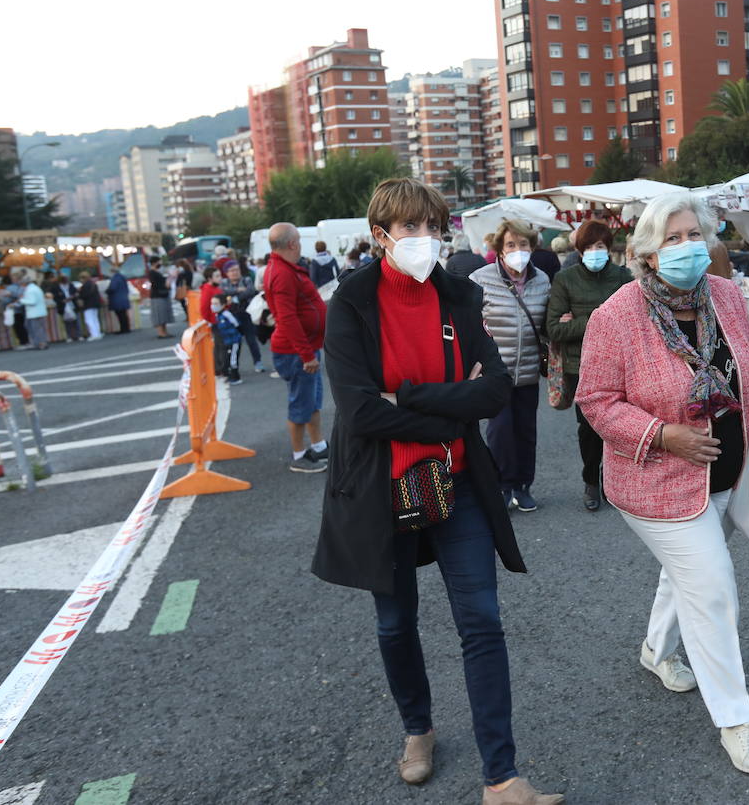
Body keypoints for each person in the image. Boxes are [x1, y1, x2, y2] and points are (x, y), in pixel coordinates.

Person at [311, 178, 564, 805]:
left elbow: (496, 388)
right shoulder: (352, 303)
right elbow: (360, 413)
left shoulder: (457, 294)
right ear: (380, 238)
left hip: (455, 476)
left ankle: (501, 777)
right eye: (411, 229)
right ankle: (417, 728)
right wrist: (451, 406)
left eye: (434, 227)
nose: (426, 240)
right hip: (382, 485)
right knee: (396, 622)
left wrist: (411, 398)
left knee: (481, 620)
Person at [575, 192, 749, 776]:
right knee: (712, 585)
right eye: (672, 239)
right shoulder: (615, 316)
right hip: (654, 482)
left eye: (695, 234)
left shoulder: (723, 293)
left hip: (723, 467)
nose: (688, 247)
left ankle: (655, 651)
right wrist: (664, 434)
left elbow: (742, 361)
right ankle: (736, 719)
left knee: (687, 570)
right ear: (645, 251)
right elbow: (594, 401)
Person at [545, 220, 631, 512]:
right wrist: (599, 318)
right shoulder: (565, 279)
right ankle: (591, 480)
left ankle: (614, 480)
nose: (596, 251)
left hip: (621, 365)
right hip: (580, 367)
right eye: (590, 247)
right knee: (588, 429)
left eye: (601, 246)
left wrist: (581, 320)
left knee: (620, 427)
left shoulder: (623, 277)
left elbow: (635, 320)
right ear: (579, 250)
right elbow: (554, 329)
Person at [471, 220, 549, 513]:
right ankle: (502, 485)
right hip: (496, 373)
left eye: (523, 244)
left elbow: (546, 323)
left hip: (528, 370)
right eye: (511, 245)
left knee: (526, 432)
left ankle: (523, 486)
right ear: (500, 251)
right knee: (500, 432)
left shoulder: (542, 280)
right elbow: (467, 320)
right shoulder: (480, 278)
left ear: (532, 246)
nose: (518, 250)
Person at [267, 222, 329, 474]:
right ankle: (299, 454)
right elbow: (288, 319)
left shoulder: (283, 269)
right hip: (297, 352)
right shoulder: (282, 272)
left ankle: (318, 445)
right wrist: (306, 355)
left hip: (304, 349)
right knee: (301, 403)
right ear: (292, 243)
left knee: (311, 400)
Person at [220, 259, 266, 373]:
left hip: (246, 313)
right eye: (231, 271)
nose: (235, 272)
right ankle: (233, 366)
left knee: (251, 340)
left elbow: (250, 291)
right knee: (234, 342)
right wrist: (238, 290)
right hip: (231, 315)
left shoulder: (246, 279)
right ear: (226, 273)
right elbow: (224, 292)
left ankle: (258, 362)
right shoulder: (224, 282)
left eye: (236, 270)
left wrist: (235, 297)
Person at [211, 294, 243, 385]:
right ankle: (229, 375)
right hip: (227, 341)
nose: (213, 305)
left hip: (234, 340)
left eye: (216, 303)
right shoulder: (217, 315)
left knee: (233, 359)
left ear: (223, 304)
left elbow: (237, 324)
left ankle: (235, 377)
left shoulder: (227, 314)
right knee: (228, 358)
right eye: (212, 303)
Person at [20, 271, 50, 350]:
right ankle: (41, 342)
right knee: (39, 328)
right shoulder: (36, 288)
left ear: (24, 283)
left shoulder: (30, 290)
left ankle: (40, 343)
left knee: (35, 329)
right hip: (40, 312)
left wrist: (22, 300)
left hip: (33, 313)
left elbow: (32, 302)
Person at [147, 256, 173, 338]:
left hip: (162, 295)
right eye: (159, 262)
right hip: (157, 296)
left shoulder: (157, 272)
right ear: (154, 263)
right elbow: (156, 284)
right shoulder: (152, 273)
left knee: (163, 314)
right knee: (159, 315)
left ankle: (164, 331)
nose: (160, 263)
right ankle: (161, 332)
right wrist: (166, 283)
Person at [77, 271, 104, 340]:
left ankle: (94, 334)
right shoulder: (93, 284)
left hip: (88, 305)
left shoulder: (85, 286)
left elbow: (84, 296)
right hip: (95, 304)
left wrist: (79, 293)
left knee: (89, 320)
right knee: (95, 319)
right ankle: (97, 333)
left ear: (83, 278)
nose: (80, 280)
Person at [106, 264, 132, 334]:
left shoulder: (115, 278)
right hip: (123, 298)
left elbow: (112, 288)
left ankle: (123, 329)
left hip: (117, 299)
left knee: (120, 315)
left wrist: (107, 291)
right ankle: (126, 328)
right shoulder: (122, 277)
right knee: (123, 314)